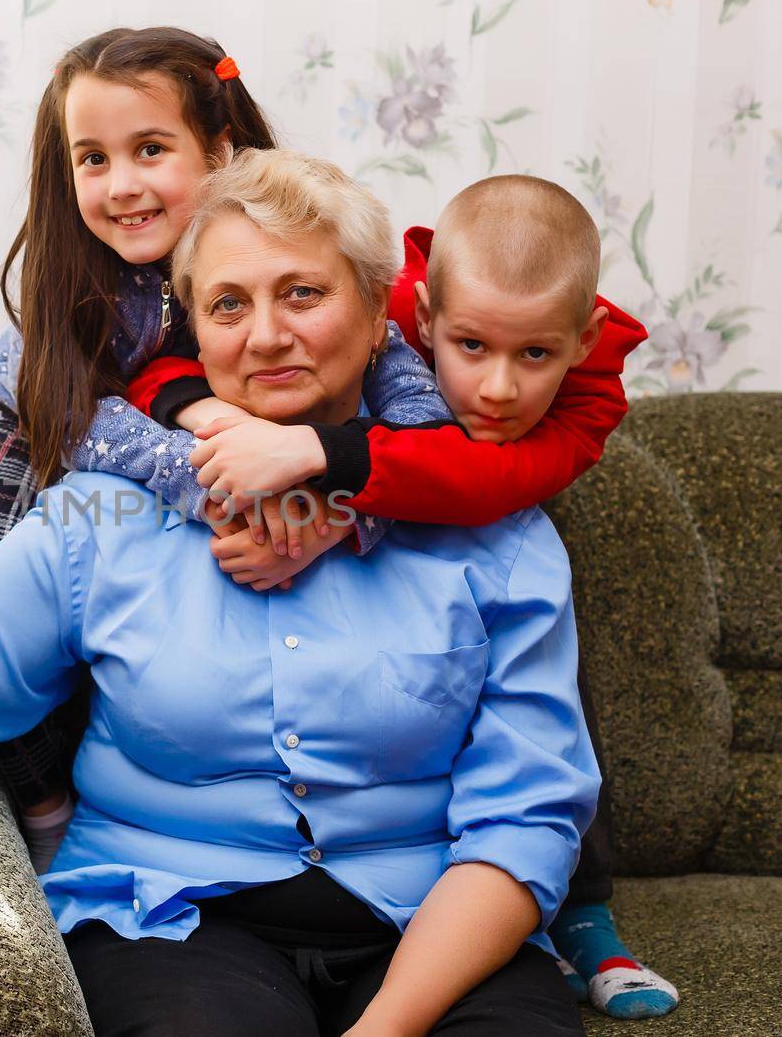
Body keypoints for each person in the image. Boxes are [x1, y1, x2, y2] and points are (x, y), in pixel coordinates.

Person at [0, 148, 597, 1036]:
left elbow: (525, 822)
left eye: (302, 293)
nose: (264, 335)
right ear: (197, 333)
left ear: (381, 318)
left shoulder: (499, 535)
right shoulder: (101, 523)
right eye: (228, 304)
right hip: (167, 916)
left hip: (435, 922)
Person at [140, 174, 677, 1019]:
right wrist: (218, 423)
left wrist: (334, 502)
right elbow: (165, 365)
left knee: (555, 699)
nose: (497, 389)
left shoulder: (585, 406)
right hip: (194, 916)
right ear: (421, 320)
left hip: (481, 509)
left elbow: (484, 484)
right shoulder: (373, 318)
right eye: (471, 348)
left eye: (533, 354)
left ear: (583, 340)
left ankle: (584, 906)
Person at [0, 25, 448, 873]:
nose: (121, 184)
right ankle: (44, 801)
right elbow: (84, 420)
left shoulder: (298, 261)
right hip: (38, 418)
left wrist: (333, 507)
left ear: (222, 149)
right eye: (92, 158)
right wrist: (203, 458)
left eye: (150, 149)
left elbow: (420, 435)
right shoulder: (76, 292)